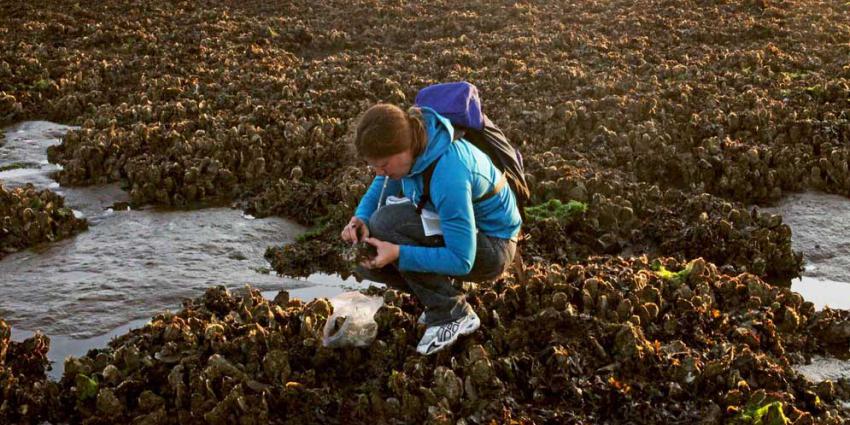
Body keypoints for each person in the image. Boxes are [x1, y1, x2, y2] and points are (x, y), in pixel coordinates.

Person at [340, 103, 521, 355]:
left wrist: (399, 253)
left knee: (386, 224)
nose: (380, 172)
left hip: (494, 247)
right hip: (464, 233)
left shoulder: (449, 174)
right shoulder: (412, 150)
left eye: (383, 165)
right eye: (374, 166)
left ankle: (453, 314)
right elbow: (381, 186)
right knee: (363, 256)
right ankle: (442, 294)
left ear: (404, 149)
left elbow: (462, 260)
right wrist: (360, 219)